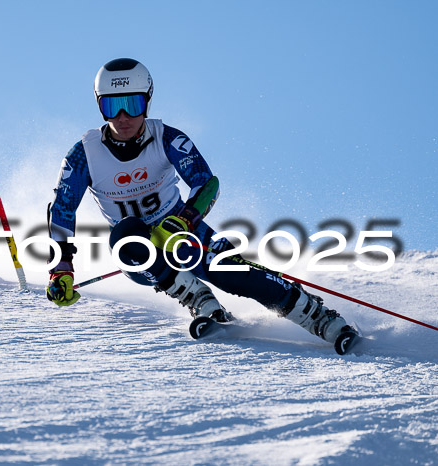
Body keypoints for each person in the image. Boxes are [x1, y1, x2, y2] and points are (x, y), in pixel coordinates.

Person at [45, 58, 359, 354]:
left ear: (148, 101)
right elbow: (62, 211)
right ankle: (198, 298)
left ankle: (319, 317)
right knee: (127, 234)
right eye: (112, 106)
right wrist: (61, 269)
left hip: (183, 232)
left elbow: (207, 184)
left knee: (232, 274)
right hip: (139, 254)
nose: (123, 117)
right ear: (100, 106)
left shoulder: (167, 138)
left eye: (133, 104)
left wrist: (184, 221)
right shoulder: (84, 155)